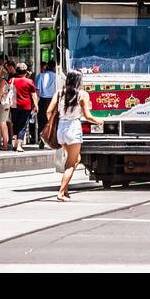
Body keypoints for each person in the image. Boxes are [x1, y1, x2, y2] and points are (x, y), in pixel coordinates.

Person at [45, 69, 101, 201]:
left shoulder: (59, 93)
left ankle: (66, 190)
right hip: (73, 128)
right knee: (72, 162)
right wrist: (99, 121)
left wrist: (54, 123)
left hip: (61, 129)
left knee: (75, 159)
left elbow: (48, 111)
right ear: (79, 81)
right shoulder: (83, 95)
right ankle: (60, 192)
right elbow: (88, 116)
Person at [9, 63, 37, 152]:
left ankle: (15, 144)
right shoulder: (29, 82)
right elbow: (33, 95)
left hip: (14, 106)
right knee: (23, 126)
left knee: (15, 124)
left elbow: (7, 92)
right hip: (26, 106)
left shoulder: (12, 80)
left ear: (16, 72)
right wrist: (36, 105)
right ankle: (19, 145)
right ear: (26, 72)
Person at [34, 60, 59, 147]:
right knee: (52, 121)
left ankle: (42, 140)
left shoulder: (40, 76)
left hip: (43, 101)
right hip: (53, 100)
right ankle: (51, 141)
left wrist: (35, 103)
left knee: (42, 121)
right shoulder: (57, 77)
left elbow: (37, 90)